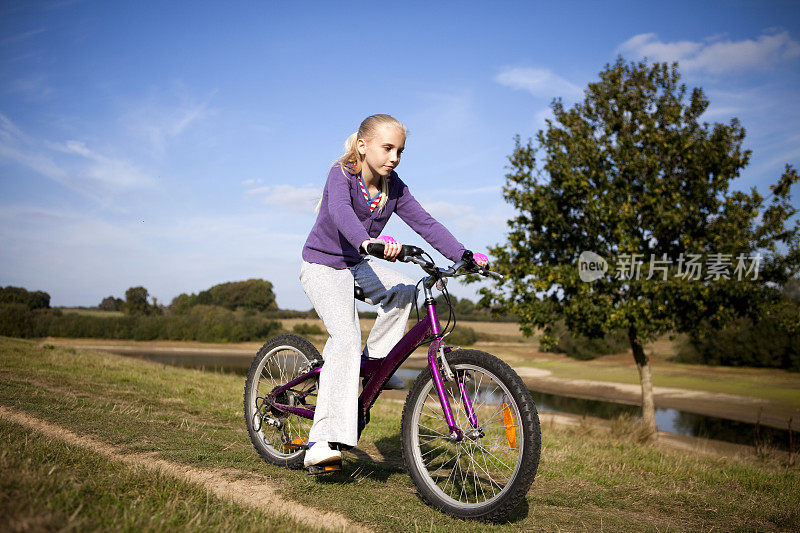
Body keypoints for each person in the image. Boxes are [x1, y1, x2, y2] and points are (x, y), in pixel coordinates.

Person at [299, 114, 488, 473]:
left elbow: (425, 222)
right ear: (362, 146)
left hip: (356, 263)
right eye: (388, 148)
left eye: (400, 150)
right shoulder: (341, 175)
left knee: (404, 290)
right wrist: (367, 242)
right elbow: (340, 213)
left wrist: (462, 254)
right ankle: (320, 441)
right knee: (346, 337)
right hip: (323, 265)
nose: (394, 157)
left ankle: (377, 368)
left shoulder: (394, 187)